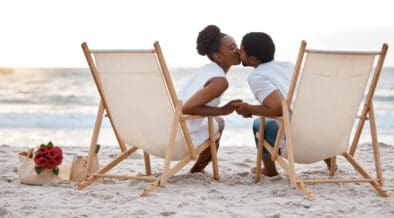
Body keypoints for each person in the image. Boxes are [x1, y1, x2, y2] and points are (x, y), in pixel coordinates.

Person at [233, 32, 333, 177]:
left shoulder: (256, 76)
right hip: (324, 135)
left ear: (253, 60)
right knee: (307, 115)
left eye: (241, 51)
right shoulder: (290, 66)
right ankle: (331, 164)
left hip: (300, 142)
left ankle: (270, 170)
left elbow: (277, 108)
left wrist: (248, 108)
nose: (237, 52)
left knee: (259, 124)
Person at [178, 25, 241, 173]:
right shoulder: (220, 81)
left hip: (168, 134)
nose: (238, 50)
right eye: (232, 48)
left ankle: (198, 170)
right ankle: (197, 170)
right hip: (182, 141)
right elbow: (186, 108)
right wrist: (223, 110)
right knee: (219, 121)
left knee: (215, 121)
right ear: (218, 56)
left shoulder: (205, 70)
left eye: (236, 46)